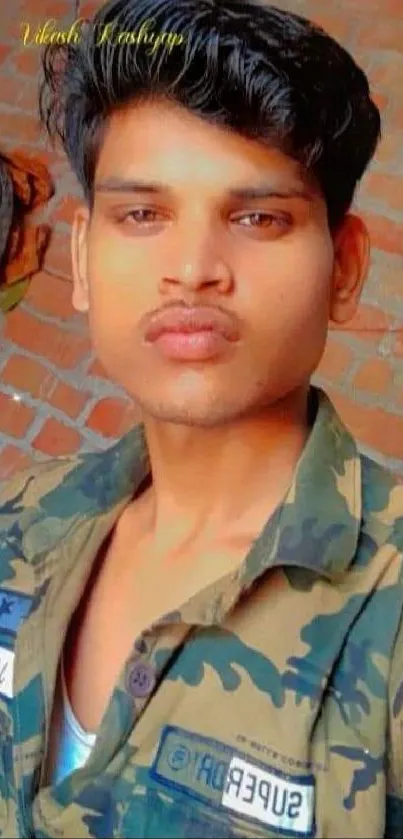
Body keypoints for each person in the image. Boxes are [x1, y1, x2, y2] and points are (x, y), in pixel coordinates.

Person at [0, 0, 402, 835]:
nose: (191, 270)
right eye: (141, 215)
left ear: (344, 267)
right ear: (80, 257)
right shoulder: (16, 520)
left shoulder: (387, 618)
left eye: (258, 217)